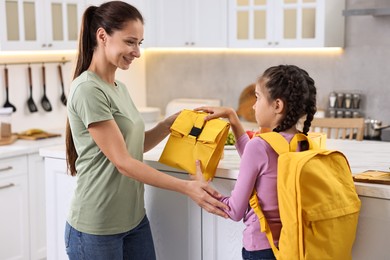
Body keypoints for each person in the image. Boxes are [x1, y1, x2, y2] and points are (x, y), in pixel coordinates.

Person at [64, 1, 228, 259]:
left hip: (134, 220)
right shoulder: (87, 89)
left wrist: (167, 125)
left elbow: (134, 145)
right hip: (97, 227)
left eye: (139, 42)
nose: (137, 52)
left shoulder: (119, 88)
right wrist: (187, 187)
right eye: (130, 42)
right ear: (102, 36)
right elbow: (124, 163)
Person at [195, 65, 317, 260]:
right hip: (293, 246)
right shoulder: (304, 143)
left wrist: (201, 189)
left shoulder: (260, 147)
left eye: (258, 98)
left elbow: (234, 211)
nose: (253, 106)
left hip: (261, 249)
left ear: (277, 106)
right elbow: (261, 163)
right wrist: (233, 119)